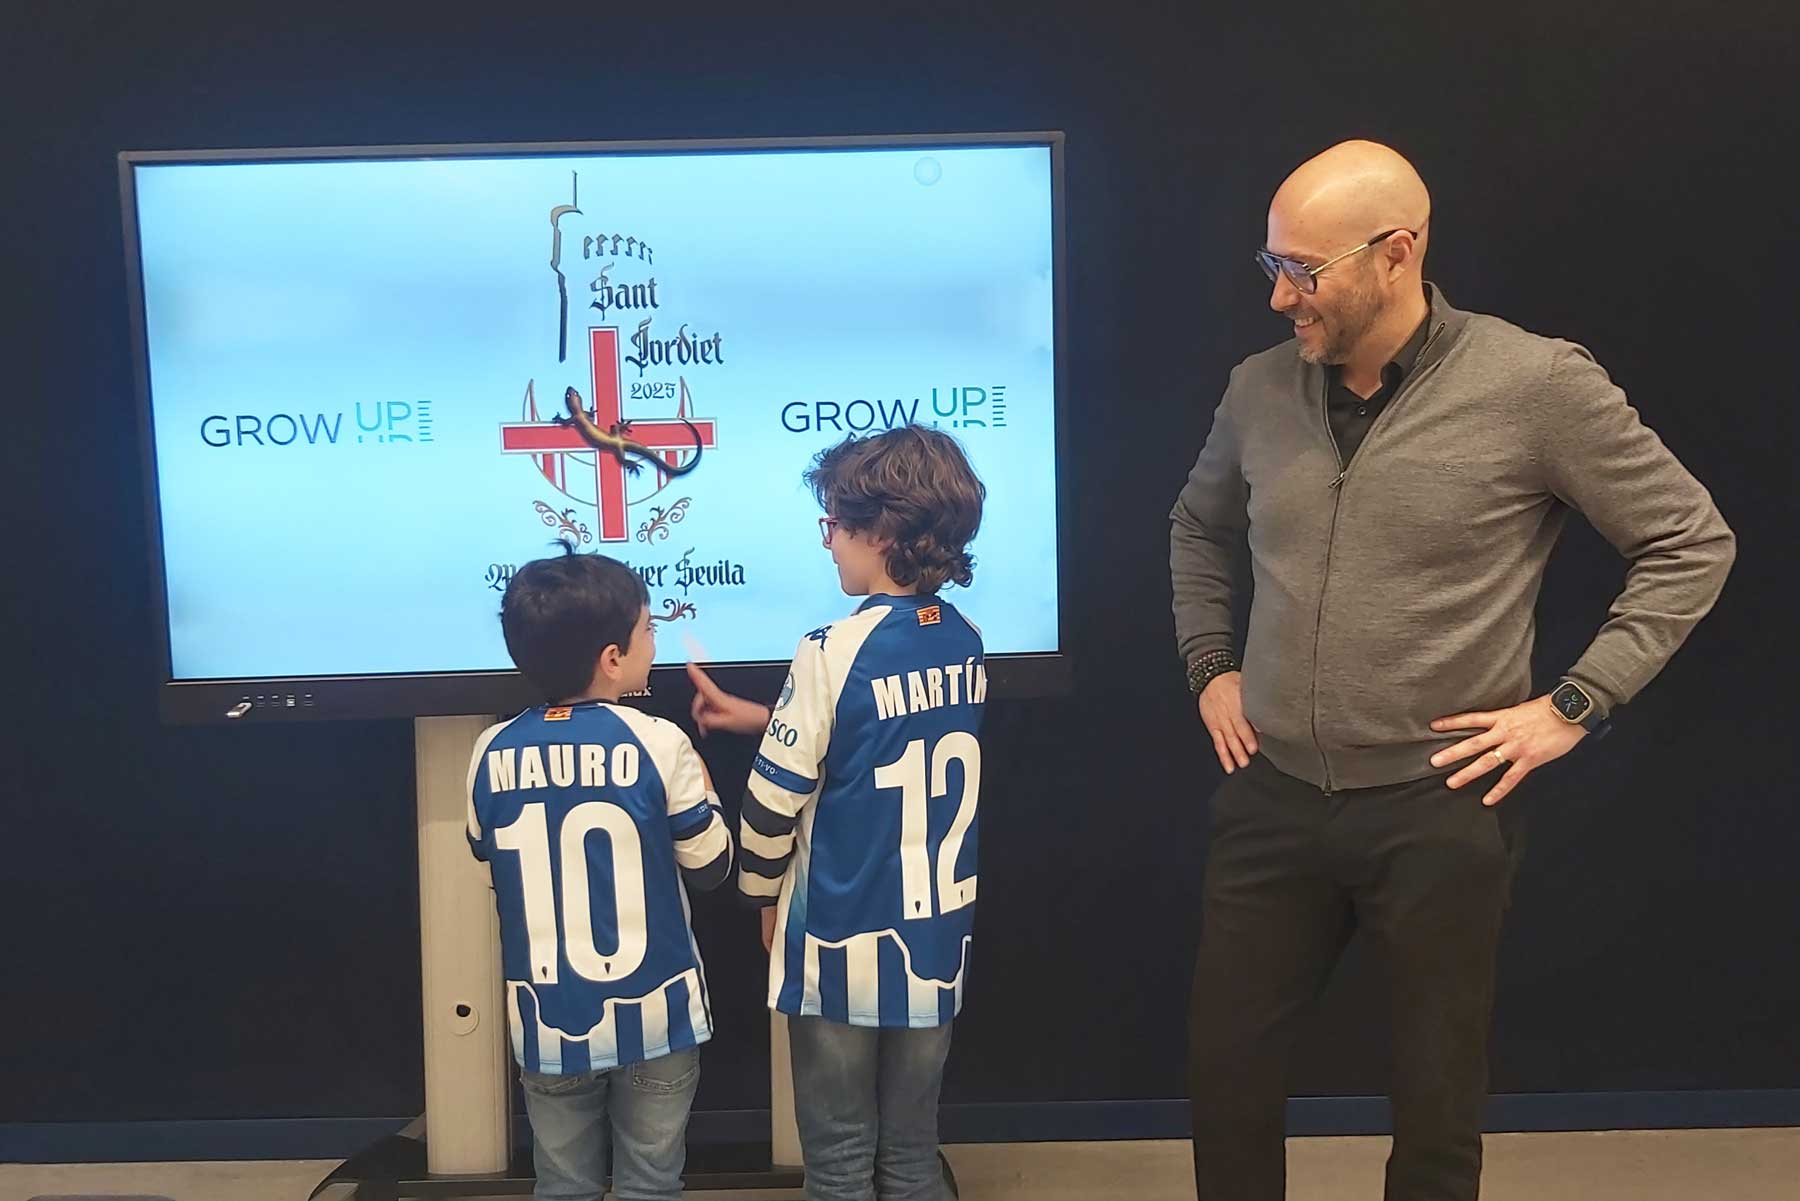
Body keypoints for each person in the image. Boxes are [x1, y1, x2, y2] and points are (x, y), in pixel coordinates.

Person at [1170, 141, 1736, 1201]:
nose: (1281, 297)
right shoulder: (1258, 390)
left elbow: (1689, 540)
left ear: (1396, 253)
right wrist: (1211, 664)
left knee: (1436, 1105)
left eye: (1305, 269)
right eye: (1271, 265)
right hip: (1274, 799)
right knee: (1226, 1081)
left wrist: (1576, 702)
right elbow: (1197, 528)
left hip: (1440, 807)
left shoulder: (1534, 385)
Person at [688, 425, 988, 1201]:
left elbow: (772, 798)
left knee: (840, 1161)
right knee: (914, 1158)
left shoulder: (828, 649)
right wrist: (770, 714)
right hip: (935, 940)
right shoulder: (964, 639)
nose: (827, 544)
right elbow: (881, 736)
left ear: (880, 531)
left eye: (833, 525)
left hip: (838, 940)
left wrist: (759, 892)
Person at [467, 544, 733, 1201]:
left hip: (548, 1015)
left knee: (561, 1183)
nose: (654, 642)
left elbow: (487, 862)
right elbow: (711, 865)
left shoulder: (488, 748)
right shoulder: (659, 741)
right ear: (613, 657)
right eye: (648, 629)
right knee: (651, 1181)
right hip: (655, 1017)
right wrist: (706, 786)